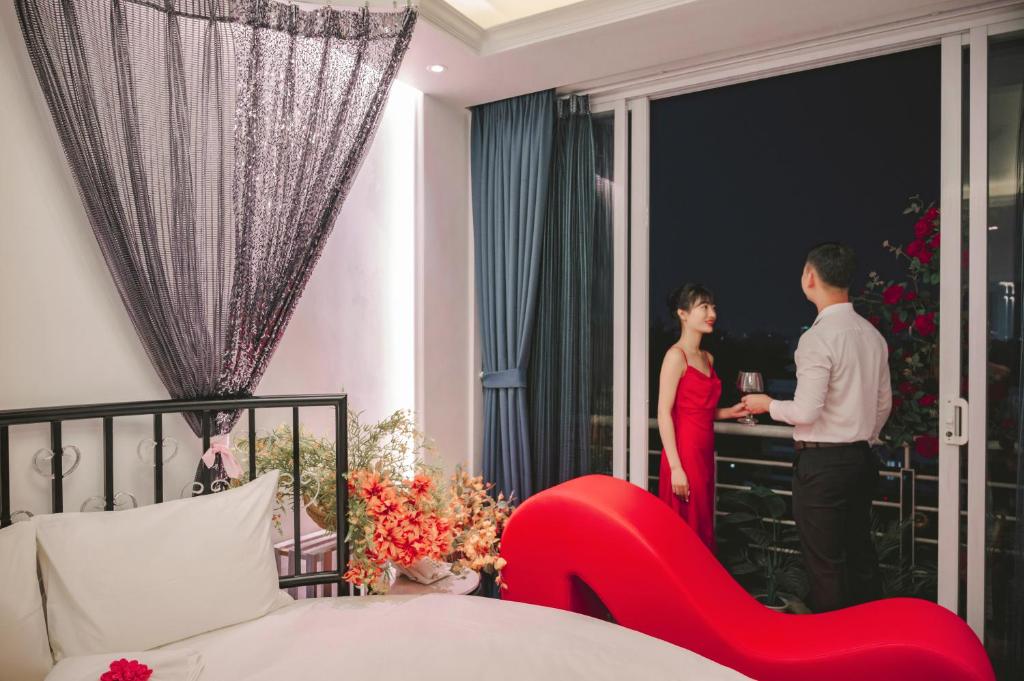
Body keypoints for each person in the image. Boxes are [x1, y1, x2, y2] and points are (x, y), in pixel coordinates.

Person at [743, 243, 891, 612]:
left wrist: (767, 404)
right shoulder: (872, 335)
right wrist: (863, 438)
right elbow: (883, 404)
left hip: (823, 468)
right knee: (861, 556)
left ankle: (832, 643)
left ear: (810, 277)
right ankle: (871, 638)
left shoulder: (818, 338)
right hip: (860, 460)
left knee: (826, 567)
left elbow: (806, 411)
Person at [657, 284, 749, 552]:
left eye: (713, 307)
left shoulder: (708, 358)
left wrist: (730, 412)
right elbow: (664, 413)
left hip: (705, 453)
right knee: (683, 530)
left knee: (702, 524)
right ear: (682, 314)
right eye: (704, 307)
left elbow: (701, 410)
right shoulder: (675, 356)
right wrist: (676, 467)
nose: (712, 314)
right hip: (683, 454)